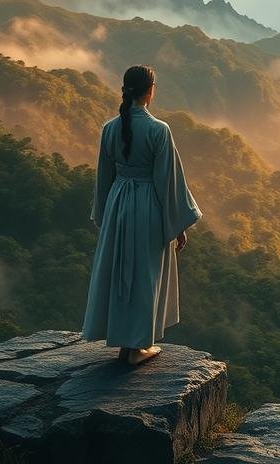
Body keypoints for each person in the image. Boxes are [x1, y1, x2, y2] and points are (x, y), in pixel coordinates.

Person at [82, 65, 201, 365]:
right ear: (150, 91)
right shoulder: (158, 130)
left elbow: (103, 178)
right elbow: (167, 182)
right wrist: (178, 225)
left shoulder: (110, 128)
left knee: (120, 271)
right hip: (148, 206)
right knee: (145, 274)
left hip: (118, 204)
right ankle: (136, 348)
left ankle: (126, 343)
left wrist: (103, 216)